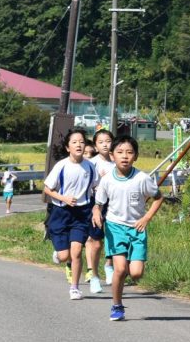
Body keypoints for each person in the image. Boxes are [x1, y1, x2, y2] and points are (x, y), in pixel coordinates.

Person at [92, 136, 163, 321]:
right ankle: (117, 305)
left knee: (137, 273)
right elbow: (98, 203)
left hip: (137, 228)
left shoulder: (142, 178)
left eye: (129, 153)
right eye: (120, 152)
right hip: (115, 227)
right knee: (120, 269)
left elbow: (158, 197)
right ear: (112, 155)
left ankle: (124, 283)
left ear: (136, 156)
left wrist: (147, 218)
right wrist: (96, 212)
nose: (125, 156)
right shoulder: (107, 180)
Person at [42, 129, 98, 300]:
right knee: (64, 255)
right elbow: (47, 189)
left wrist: (97, 208)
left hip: (82, 213)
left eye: (81, 141)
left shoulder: (90, 166)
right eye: (74, 142)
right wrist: (64, 198)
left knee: (76, 252)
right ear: (68, 147)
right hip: (61, 212)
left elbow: (97, 187)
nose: (79, 145)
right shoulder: (61, 166)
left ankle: (74, 287)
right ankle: (58, 254)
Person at [84, 128, 115, 294]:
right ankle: (94, 275)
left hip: (115, 205)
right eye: (101, 142)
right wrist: (99, 182)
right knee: (95, 240)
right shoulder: (91, 163)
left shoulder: (118, 161)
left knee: (112, 237)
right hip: (94, 204)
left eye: (108, 141)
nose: (105, 145)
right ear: (95, 145)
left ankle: (109, 265)